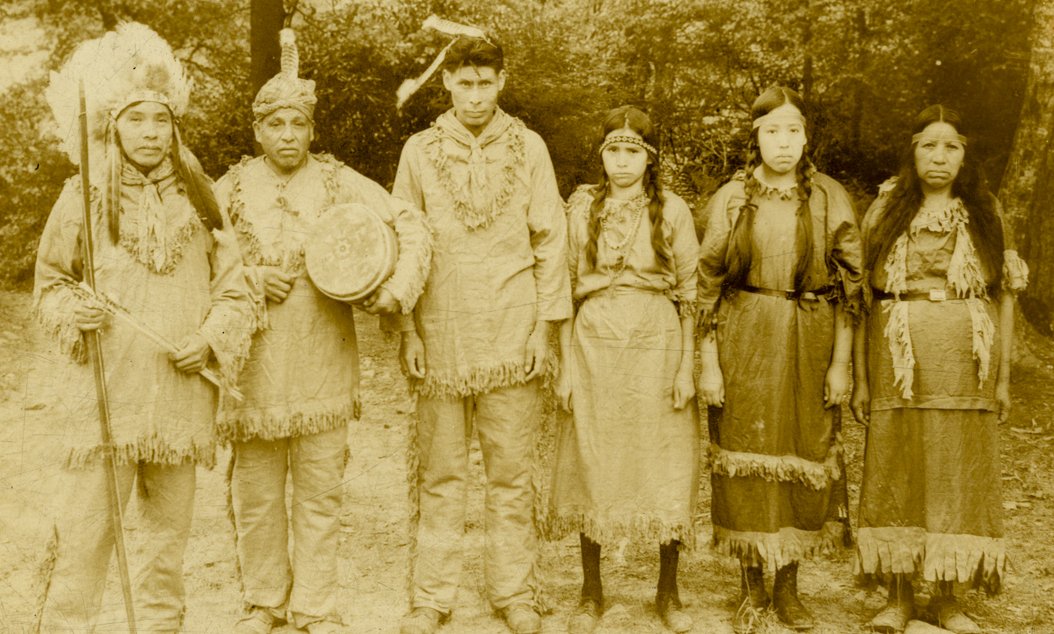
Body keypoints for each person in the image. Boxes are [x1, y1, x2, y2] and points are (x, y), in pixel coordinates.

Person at [33, 22, 254, 632]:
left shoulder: (203, 198)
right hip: (105, 398)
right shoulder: (82, 196)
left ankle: (161, 627)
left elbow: (236, 291)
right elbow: (50, 284)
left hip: (179, 400)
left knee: (166, 545)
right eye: (136, 120)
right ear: (112, 126)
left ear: (174, 126)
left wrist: (209, 338)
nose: (150, 133)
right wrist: (73, 314)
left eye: (160, 120)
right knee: (84, 537)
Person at [214, 28, 431, 634]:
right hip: (251, 371)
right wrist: (248, 276)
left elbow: (409, 224)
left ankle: (315, 606)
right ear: (257, 131)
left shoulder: (340, 182)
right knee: (255, 495)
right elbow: (195, 263)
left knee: (319, 492)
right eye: (275, 125)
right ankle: (263, 603)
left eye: (298, 125)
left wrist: (394, 289)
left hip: (322, 362)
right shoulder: (227, 188)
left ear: (312, 129)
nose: (288, 136)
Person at [391, 33, 572, 634]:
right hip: (441, 333)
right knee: (440, 475)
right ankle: (431, 597)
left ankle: (514, 592)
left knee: (511, 473)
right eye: (463, 83)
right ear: (446, 83)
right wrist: (409, 330)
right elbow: (402, 245)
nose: (473, 96)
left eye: (484, 83)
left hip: (512, 333)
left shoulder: (531, 148)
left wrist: (544, 331)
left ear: (502, 81)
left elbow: (551, 242)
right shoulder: (418, 151)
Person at [850, 105, 1028, 634]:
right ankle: (900, 596)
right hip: (897, 362)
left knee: (958, 472)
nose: (939, 156)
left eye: (951, 146)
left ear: (964, 154)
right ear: (913, 150)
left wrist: (1001, 379)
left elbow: (1005, 298)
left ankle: (949, 597)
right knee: (896, 467)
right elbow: (861, 300)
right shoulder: (884, 211)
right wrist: (860, 378)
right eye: (930, 144)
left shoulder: (986, 212)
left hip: (965, 365)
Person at [696, 85, 865, 633]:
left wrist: (841, 364)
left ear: (807, 137)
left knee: (805, 450)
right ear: (756, 137)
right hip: (743, 336)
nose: (784, 142)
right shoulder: (730, 198)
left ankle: (789, 585)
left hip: (809, 339)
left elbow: (851, 287)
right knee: (743, 455)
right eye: (772, 131)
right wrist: (708, 362)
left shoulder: (828, 198)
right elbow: (706, 286)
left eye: (794, 130)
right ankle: (751, 587)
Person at [548, 105, 700, 634]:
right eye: (613, 149)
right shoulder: (582, 210)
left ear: (650, 157)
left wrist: (687, 367)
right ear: (601, 154)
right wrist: (565, 368)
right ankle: (591, 592)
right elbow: (564, 291)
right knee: (592, 457)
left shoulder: (673, 210)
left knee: (666, 461)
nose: (622, 161)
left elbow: (690, 296)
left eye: (633, 150)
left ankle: (668, 591)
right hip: (593, 345)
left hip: (657, 344)